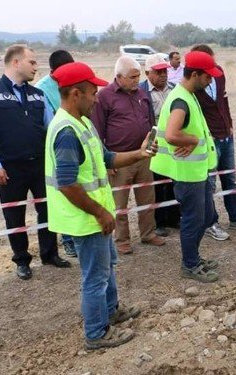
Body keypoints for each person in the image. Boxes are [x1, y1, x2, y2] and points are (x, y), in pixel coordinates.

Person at [46, 61, 151, 349]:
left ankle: (112, 311)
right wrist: (101, 212)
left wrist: (139, 154)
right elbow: (67, 183)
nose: (97, 98)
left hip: (96, 216)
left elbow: (107, 158)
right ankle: (96, 333)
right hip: (86, 218)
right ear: (76, 94)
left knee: (106, 269)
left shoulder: (82, 122)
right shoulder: (66, 131)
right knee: (95, 278)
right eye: (93, 92)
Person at [150, 51, 221, 283]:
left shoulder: (187, 94)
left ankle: (194, 257)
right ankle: (190, 264)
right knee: (193, 219)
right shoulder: (181, 99)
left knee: (207, 215)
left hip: (198, 171)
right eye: (208, 76)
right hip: (187, 173)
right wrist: (190, 141)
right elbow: (171, 134)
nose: (211, 80)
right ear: (196, 74)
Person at [0, 45, 67, 280]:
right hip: (10, 167)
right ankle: (22, 260)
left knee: (48, 209)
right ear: (16, 62)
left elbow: (52, 126)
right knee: (14, 216)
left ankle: (50, 254)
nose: (36, 67)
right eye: (32, 62)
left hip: (39, 164)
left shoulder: (37, 94)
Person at [91, 56, 165, 254]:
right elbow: (97, 131)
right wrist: (106, 161)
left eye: (138, 76)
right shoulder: (105, 97)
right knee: (119, 203)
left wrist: (150, 148)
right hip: (119, 159)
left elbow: (150, 123)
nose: (136, 80)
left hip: (143, 157)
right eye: (132, 77)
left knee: (147, 199)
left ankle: (148, 233)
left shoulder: (142, 93)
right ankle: (122, 239)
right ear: (119, 77)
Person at [190, 44, 236, 242]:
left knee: (230, 179)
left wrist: (229, 124)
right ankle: (211, 222)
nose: (213, 67)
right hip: (209, 140)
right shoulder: (193, 86)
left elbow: (224, 101)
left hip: (226, 136)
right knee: (209, 184)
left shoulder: (219, 74)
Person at [35, 49, 77, 258]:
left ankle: (74, 237)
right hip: (58, 146)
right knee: (64, 192)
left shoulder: (72, 83)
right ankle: (68, 240)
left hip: (74, 142)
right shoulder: (42, 89)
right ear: (54, 71)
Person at [139, 55, 179, 237]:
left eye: (165, 71)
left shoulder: (174, 89)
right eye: (159, 72)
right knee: (155, 184)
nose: (163, 75)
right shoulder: (140, 92)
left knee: (172, 181)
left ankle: (173, 217)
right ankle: (158, 221)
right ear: (147, 73)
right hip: (154, 144)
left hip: (172, 144)